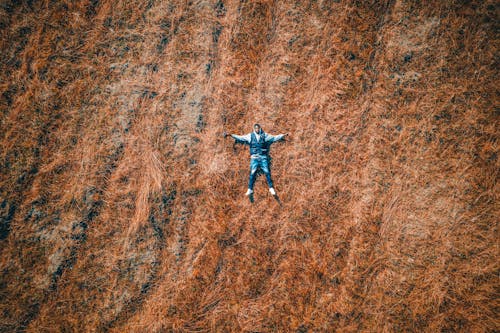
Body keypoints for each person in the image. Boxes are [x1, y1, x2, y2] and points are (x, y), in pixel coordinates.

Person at [224, 124, 287, 197]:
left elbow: (274, 138)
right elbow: (240, 138)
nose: (257, 130)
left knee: (266, 171)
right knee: (252, 172)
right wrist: (231, 135)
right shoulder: (250, 136)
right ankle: (250, 189)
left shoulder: (265, 135)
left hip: (263, 157)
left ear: (260, 128)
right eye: (255, 128)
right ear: (254, 129)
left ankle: (271, 188)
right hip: (254, 158)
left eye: (258, 128)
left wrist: (282, 135)